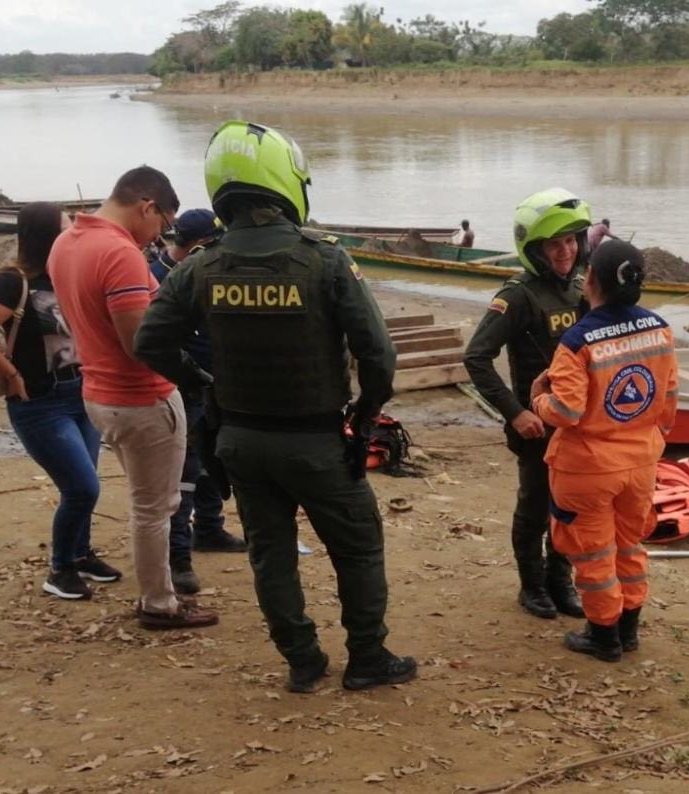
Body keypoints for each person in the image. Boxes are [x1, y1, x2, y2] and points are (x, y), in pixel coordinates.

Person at [135, 120, 415, 693]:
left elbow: (150, 342)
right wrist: (365, 417)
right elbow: (379, 357)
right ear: (285, 180)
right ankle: (367, 657)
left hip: (240, 442)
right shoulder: (326, 261)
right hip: (316, 441)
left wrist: (205, 381)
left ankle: (302, 660)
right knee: (357, 549)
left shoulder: (198, 265)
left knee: (271, 556)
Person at [48, 165, 217, 631]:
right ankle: (159, 603)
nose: (159, 236)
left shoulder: (67, 242)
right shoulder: (119, 253)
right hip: (141, 398)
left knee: (149, 503)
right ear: (147, 206)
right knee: (155, 509)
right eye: (162, 224)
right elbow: (142, 343)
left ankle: (157, 595)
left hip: (99, 392)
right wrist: (196, 375)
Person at [0, 203, 118, 601]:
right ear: (45, 235)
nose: (73, 233)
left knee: (86, 482)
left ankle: (81, 554)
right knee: (82, 487)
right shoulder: (14, 282)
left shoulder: (68, 273)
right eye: (65, 227)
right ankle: (60, 569)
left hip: (80, 392)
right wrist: (10, 374)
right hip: (40, 402)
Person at [529, 240, 678, 662]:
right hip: (641, 462)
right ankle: (628, 628)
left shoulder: (577, 342)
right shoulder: (660, 329)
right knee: (630, 545)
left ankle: (604, 636)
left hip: (588, 469)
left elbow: (566, 410)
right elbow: (668, 399)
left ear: (591, 279)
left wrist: (537, 399)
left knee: (593, 554)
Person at [463, 188, 589, 621]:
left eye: (571, 241)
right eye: (555, 244)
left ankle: (560, 581)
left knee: (569, 508)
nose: (565, 251)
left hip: (577, 426)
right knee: (535, 506)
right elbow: (476, 357)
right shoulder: (517, 296)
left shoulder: (581, 290)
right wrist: (515, 413)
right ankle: (531, 586)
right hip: (536, 427)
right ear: (534, 249)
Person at [147, 208, 246, 596]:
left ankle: (210, 529)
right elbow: (155, 342)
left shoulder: (213, 272)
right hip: (181, 389)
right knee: (183, 473)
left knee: (213, 462)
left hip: (216, 386)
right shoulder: (158, 279)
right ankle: (178, 555)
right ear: (198, 244)